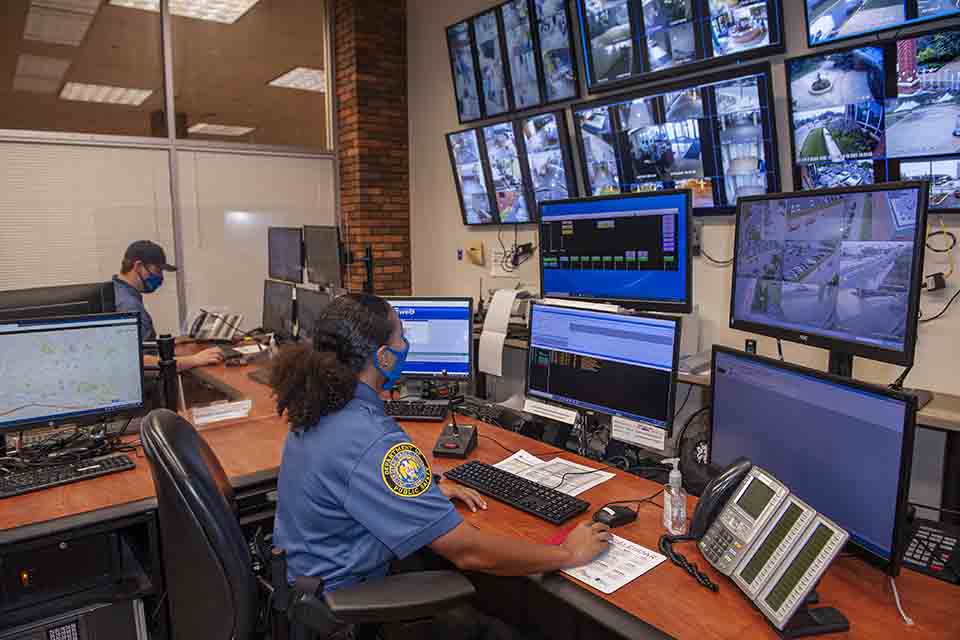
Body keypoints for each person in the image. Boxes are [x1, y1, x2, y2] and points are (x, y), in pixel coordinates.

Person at [271, 293, 610, 597]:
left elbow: (352, 477)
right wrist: (567, 554)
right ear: (384, 358)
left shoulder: (319, 403)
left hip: (304, 584)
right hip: (343, 600)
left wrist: (424, 489)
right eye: (401, 336)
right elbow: (467, 551)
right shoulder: (373, 438)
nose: (406, 344)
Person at [114, 240, 222, 371]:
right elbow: (138, 361)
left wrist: (164, 344)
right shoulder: (128, 305)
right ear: (138, 266)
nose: (160, 277)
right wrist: (194, 360)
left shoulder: (116, 291)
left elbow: (135, 348)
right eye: (157, 270)